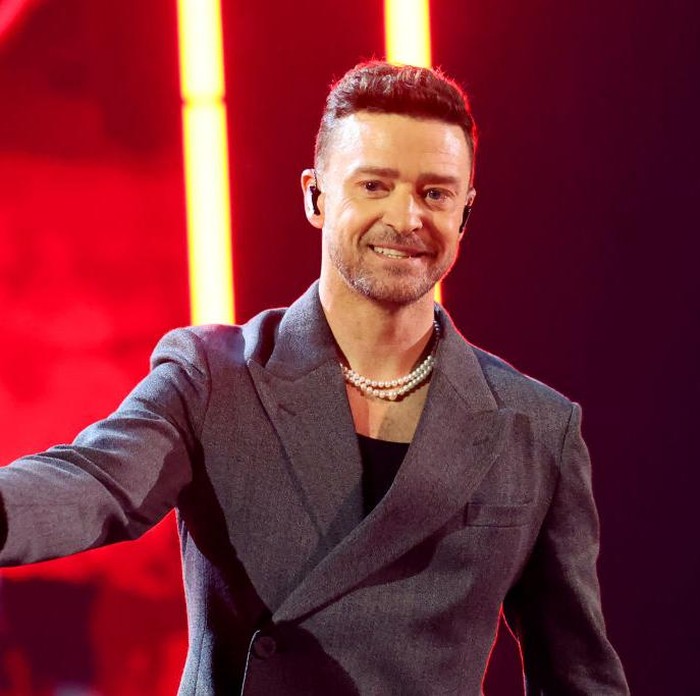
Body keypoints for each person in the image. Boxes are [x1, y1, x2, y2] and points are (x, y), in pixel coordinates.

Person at [0, 61, 629, 694]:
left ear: (464, 214)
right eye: (375, 186)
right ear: (316, 197)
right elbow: (94, 480)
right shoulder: (212, 377)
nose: (406, 218)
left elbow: (578, 674)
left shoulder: (537, 428)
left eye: (435, 193)